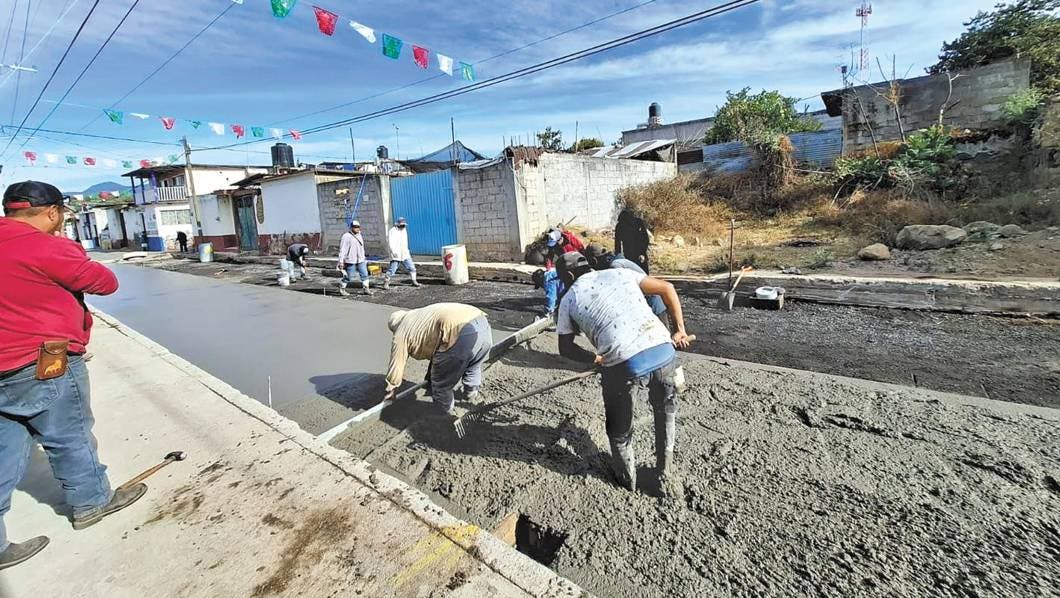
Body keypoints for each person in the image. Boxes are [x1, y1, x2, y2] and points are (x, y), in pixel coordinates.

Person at [0, 181, 148, 571]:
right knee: (68, 434)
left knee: (3, 452)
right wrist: (69, 247)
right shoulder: (46, 246)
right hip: (43, 362)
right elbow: (105, 282)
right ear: (52, 212)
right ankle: (92, 502)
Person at [554, 251, 691, 493]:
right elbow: (667, 288)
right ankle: (664, 471)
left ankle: (628, 481)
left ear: (568, 275)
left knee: (618, 429)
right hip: (664, 352)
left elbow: (565, 348)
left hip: (625, 364)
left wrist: (594, 358)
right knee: (665, 411)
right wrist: (679, 330)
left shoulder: (568, 298)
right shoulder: (621, 273)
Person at [384, 304, 492, 414]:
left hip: (460, 333)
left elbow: (397, 363)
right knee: (473, 365)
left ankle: (444, 415)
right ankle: (471, 393)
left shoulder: (401, 332)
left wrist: (391, 388)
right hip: (482, 324)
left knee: (441, 384)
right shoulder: (417, 314)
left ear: (394, 326)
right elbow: (435, 343)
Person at [583, 243, 666, 318]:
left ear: (594, 261)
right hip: (649, 304)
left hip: (652, 305)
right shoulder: (617, 261)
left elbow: (623, 294)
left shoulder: (616, 267)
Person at [384, 217, 421, 290]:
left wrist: (407, 250)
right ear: (397, 224)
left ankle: (414, 281)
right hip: (396, 254)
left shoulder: (404, 230)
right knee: (392, 270)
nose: (403, 226)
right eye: (401, 225)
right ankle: (386, 282)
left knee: (412, 267)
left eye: (404, 225)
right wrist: (393, 252)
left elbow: (405, 241)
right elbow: (390, 242)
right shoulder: (392, 231)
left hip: (405, 253)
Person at [337, 220, 372, 296]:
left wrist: (364, 256)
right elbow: (343, 249)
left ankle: (366, 288)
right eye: (355, 227)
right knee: (349, 276)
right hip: (350, 260)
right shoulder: (346, 236)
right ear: (351, 227)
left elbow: (361, 247)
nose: (357, 228)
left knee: (365, 274)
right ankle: (342, 288)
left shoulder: (359, 235)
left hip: (360, 259)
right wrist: (341, 261)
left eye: (358, 227)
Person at [614, 208, 651, 274]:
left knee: (642, 272)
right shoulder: (620, 226)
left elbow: (645, 238)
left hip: (637, 251)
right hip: (629, 253)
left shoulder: (637, 223)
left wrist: (642, 253)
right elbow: (617, 243)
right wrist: (618, 255)